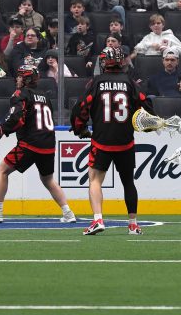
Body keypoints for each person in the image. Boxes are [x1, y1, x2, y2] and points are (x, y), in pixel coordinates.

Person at [0, 64, 76, 224]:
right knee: (48, 179)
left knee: (2, 170)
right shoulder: (44, 96)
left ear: (26, 79)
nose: (17, 79)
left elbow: (17, 118)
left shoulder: (20, 94)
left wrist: (0, 130)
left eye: (20, 76)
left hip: (30, 143)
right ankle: (68, 213)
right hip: (48, 144)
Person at [70, 46, 153, 235]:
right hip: (125, 141)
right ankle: (133, 224)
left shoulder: (96, 82)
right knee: (128, 182)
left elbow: (80, 107)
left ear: (104, 62)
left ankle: (98, 220)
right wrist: (151, 122)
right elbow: (145, 104)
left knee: (94, 180)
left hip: (102, 141)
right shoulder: (130, 82)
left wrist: (80, 128)